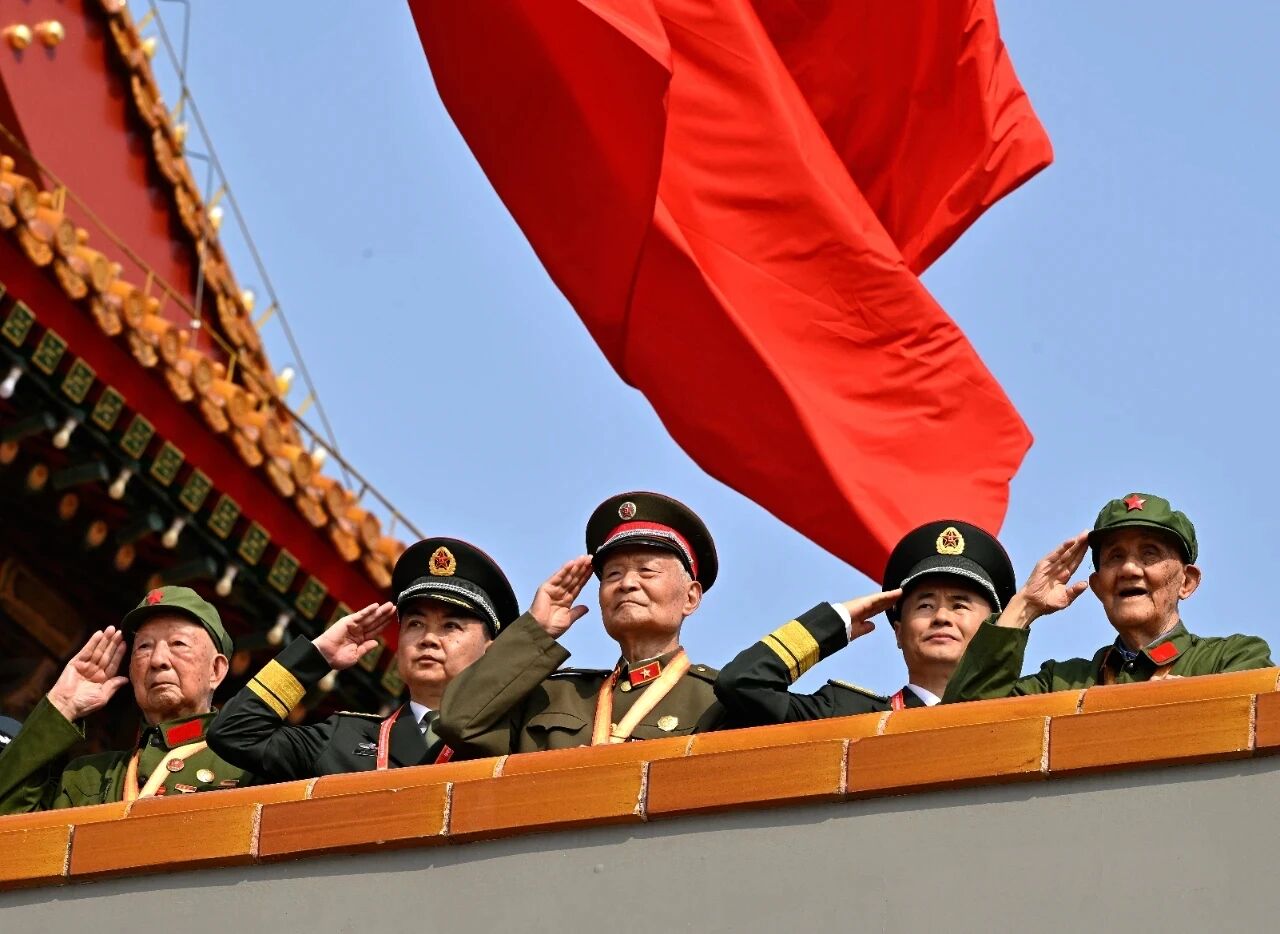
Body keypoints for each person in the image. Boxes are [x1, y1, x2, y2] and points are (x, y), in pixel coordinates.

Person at [437, 492, 724, 755]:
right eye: (613, 574)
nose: (627, 583)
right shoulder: (553, 695)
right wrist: (536, 631)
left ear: (690, 597)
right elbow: (460, 722)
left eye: (646, 570)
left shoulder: (716, 700)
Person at [207, 538, 518, 779]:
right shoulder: (343, 736)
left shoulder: (511, 740)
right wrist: (317, 655)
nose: (428, 638)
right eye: (415, 624)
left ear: (490, 649)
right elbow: (234, 734)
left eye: (451, 626)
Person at [943, 492, 1273, 701]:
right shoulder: (1060, 683)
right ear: (1098, 586)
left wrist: (1184, 701)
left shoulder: (1232, 659)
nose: (1129, 568)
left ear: (1187, 582)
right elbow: (963, 722)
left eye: (1149, 553)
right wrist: (1025, 606)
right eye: (1115, 557)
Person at [716, 521, 1016, 722]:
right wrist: (837, 621)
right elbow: (742, 684)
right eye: (925, 605)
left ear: (993, 629)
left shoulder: (1028, 708)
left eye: (959, 605)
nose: (941, 617)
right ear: (898, 632)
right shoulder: (847, 716)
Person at [0, 586, 248, 812]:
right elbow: (10, 826)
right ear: (130, 669)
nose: (157, 659)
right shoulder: (85, 778)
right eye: (144, 646)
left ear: (215, 670)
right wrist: (62, 705)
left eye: (178, 643)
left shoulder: (246, 768)